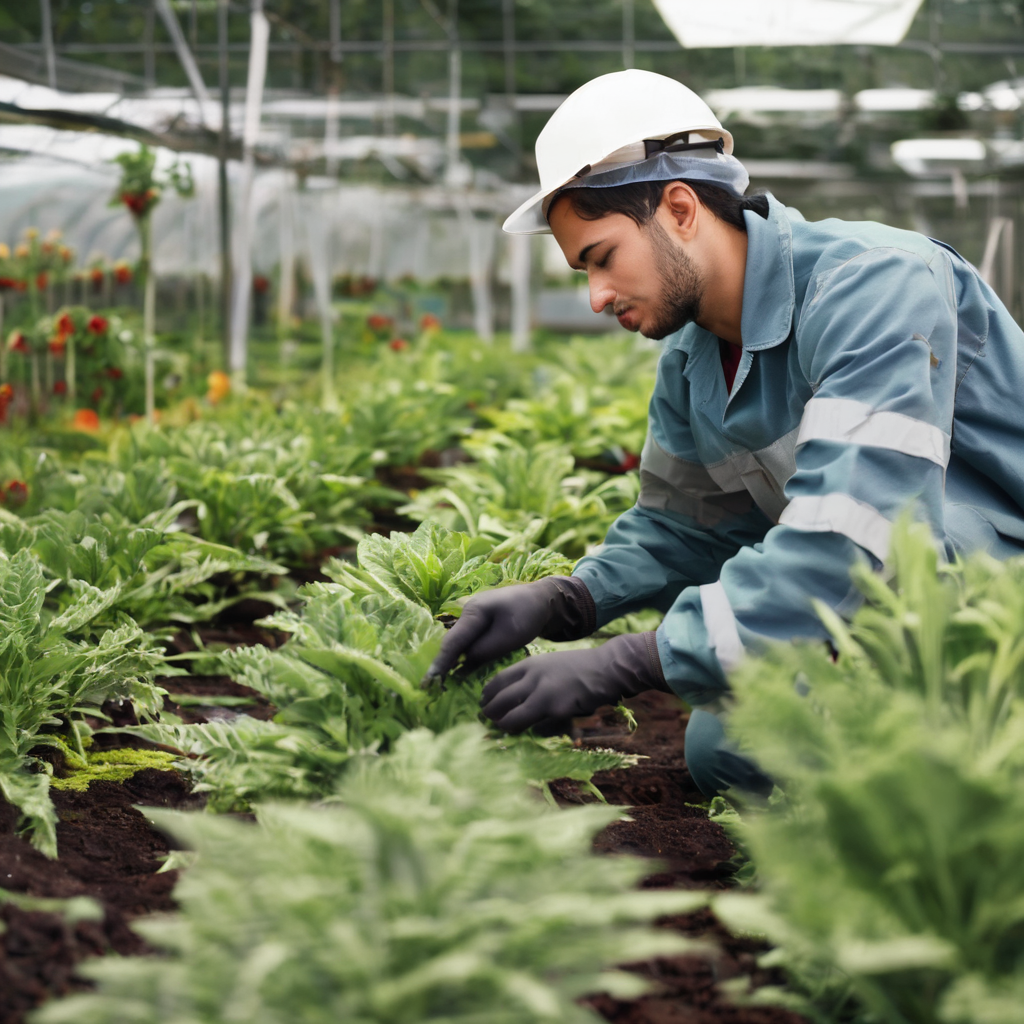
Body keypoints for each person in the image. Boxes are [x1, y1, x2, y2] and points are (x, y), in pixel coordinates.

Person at [424, 69, 1024, 797]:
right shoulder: (692, 357)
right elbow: (685, 526)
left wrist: (634, 660)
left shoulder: (873, 287)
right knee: (733, 744)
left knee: (796, 726)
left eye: (602, 257)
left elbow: (858, 532)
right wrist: (570, 598)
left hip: (990, 592)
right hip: (900, 597)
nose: (596, 296)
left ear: (680, 209)